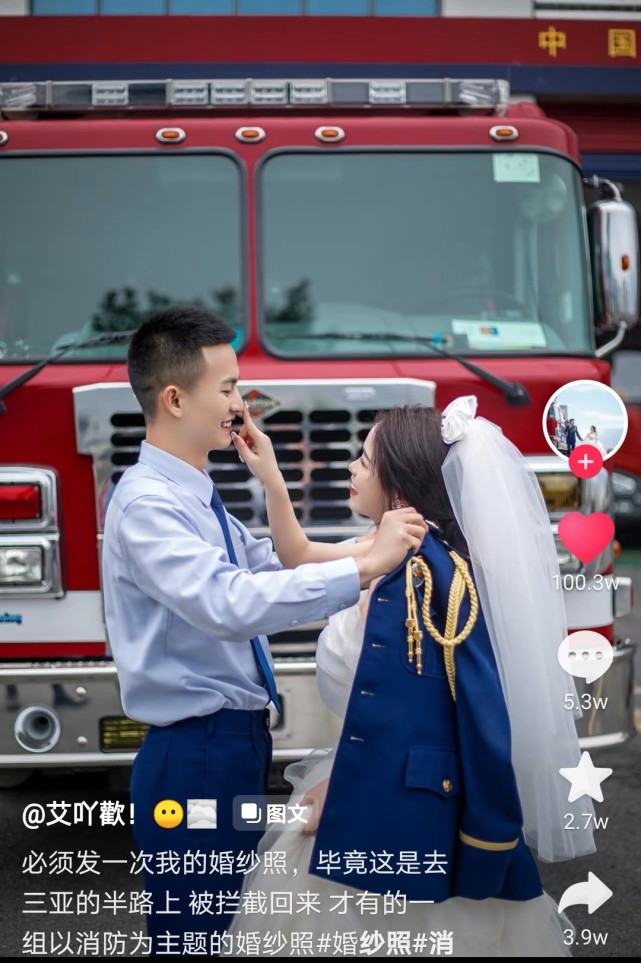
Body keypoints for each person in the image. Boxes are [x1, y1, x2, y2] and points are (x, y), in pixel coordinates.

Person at [100, 306, 427, 956]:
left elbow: (276, 560)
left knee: (220, 929)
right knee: (194, 937)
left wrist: (357, 534)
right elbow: (228, 602)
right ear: (174, 397)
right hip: (193, 755)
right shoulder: (147, 506)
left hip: (225, 748)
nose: (239, 403)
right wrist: (367, 564)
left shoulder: (193, 493)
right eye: (225, 387)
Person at [225, 396, 595, 957]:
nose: (352, 468)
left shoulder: (418, 581)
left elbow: (421, 714)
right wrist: (271, 476)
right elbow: (298, 555)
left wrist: (347, 783)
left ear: (400, 482)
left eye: (366, 461)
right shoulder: (392, 551)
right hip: (371, 772)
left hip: (384, 792)